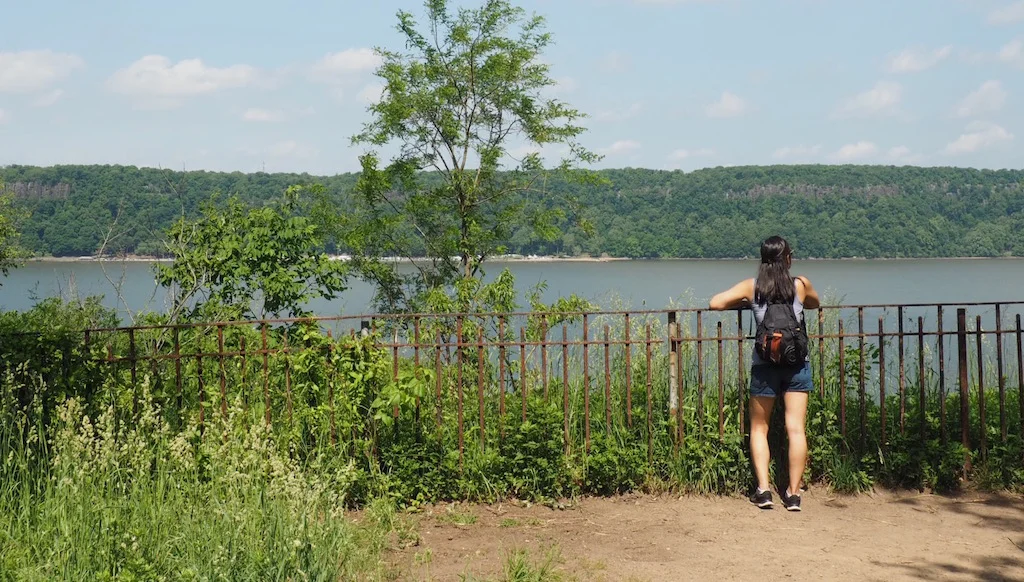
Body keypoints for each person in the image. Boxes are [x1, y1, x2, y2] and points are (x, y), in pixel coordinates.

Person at [709, 235, 820, 511]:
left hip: (764, 364)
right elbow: (815, 303)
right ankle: (793, 495)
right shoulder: (801, 285)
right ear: (789, 259)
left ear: (762, 260)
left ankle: (764, 490)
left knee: (760, 428)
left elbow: (715, 303)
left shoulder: (752, 287)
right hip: (797, 363)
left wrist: (746, 302)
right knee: (796, 428)